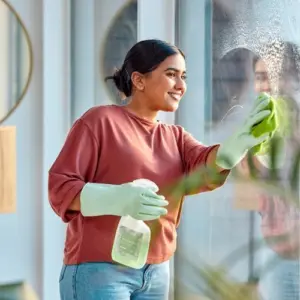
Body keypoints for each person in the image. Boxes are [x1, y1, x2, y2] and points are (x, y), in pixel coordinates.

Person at [48, 39, 274, 300]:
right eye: (171, 75)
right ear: (139, 80)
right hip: (100, 272)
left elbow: (206, 166)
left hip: (156, 273)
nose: (181, 85)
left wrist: (237, 145)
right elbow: (60, 188)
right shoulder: (100, 121)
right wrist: (117, 199)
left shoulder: (175, 137)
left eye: (184, 76)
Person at [249, 41, 300, 300]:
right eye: (260, 77)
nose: (267, 85)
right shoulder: (262, 127)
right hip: (274, 249)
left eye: (276, 76)